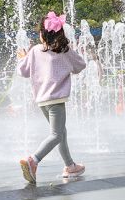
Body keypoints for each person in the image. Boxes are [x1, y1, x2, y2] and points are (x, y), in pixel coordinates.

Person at [17, 11, 87, 184]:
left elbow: (23, 72)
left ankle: (70, 166)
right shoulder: (64, 50)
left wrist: (24, 59)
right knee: (56, 134)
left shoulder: (34, 51)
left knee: (61, 132)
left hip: (42, 100)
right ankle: (33, 160)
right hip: (56, 100)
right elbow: (81, 65)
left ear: (43, 34)